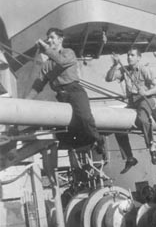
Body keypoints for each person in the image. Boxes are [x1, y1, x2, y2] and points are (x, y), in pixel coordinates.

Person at [26, 27, 106, 159]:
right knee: (63, 127)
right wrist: (26, 102)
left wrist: (46, 48)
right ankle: (80, 146)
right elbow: (38, 86)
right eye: (48, 38)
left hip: (75, 91)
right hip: (61, 95)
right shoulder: (46, 65)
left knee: (85, 117)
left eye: (52, 37)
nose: (49, 40)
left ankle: (98, 140)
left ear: (60, 39)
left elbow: (61, 62)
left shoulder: (68, 53)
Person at [105, 45, 156, 174]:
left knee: (143, 118)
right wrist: (114, 65)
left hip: (146, 100)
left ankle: (151, 147)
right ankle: (129, 158)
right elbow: (109, 79)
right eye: (128, 55)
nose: (129, 57)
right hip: (132, 102)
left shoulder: (144, 69)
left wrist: (146, 93)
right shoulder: (124, 70)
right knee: (117, 126)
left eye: (132, 55)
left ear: (139, 57)